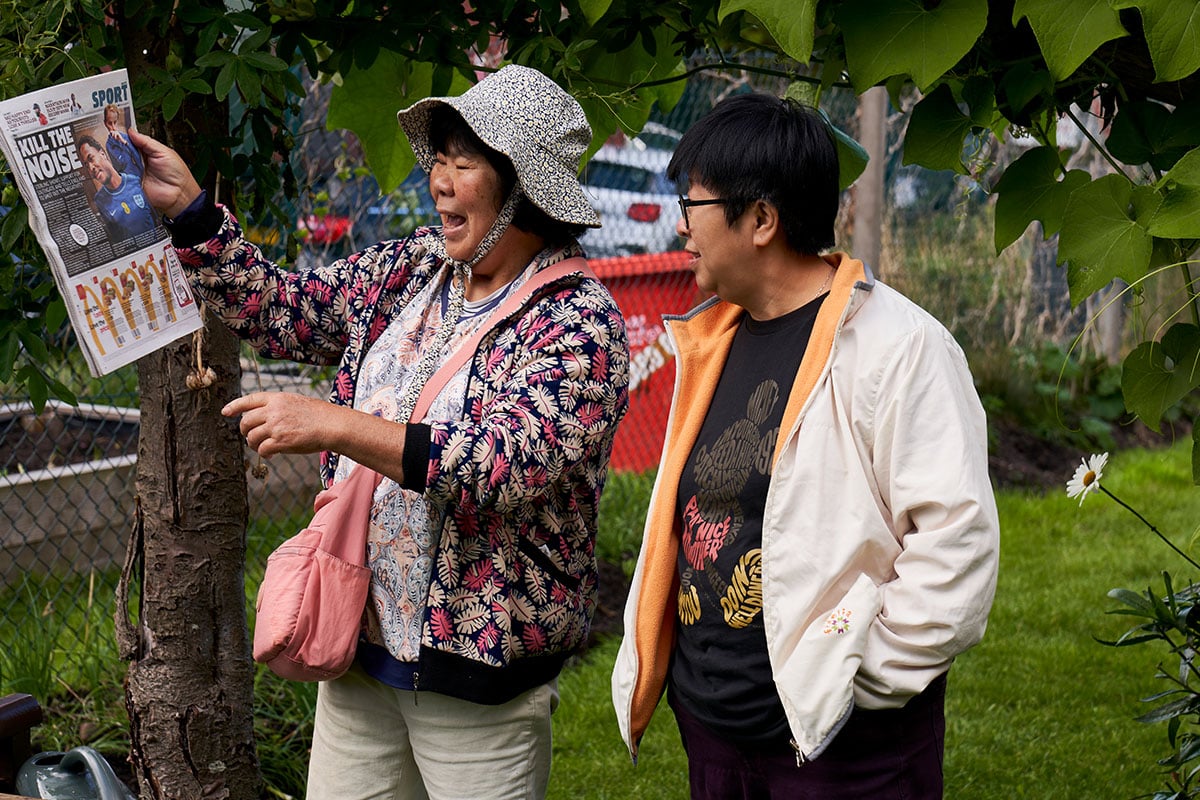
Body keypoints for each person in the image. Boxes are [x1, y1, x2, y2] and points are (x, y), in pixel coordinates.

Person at [131, 64, 630, 800]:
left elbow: (502, 463)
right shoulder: (412, 271)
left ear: (521, 187)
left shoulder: (579, 323)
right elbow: (282, 308)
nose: (440, 180)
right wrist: (194, 214)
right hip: (360, 654)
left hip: (478, 686)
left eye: (466, 163)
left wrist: (334, 423)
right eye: (441, 159)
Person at [610, 93, 1000, 799]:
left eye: (693, 202)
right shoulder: (714, 339)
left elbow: (957, 547)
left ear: (760, 219)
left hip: (844, 754)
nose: (681, 224)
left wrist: (853, 679)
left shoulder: (899, 348)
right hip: (716, 735)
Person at [77, 135, 158, 240]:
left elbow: (156, 218)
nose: (91, 167)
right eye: (86, 165)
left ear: (102, 154)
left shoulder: (135, 180)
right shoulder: (99, 200)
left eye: (91, 158)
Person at [103, 103, 144, 176]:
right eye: (110, 123)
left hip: (138, 173)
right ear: (105, 123)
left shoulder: (125, 137)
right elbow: (120, 164)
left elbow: (137, 157)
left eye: (115, 122)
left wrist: (124, 142)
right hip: (126, 179)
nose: (113, 127)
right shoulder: (109, 145)